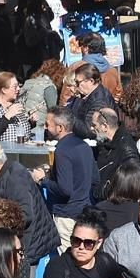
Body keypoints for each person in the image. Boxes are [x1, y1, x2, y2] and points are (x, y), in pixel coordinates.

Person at [0, 141, 59, 268]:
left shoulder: (15, 178)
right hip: (31, 242)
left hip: (32, 245)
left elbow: (25, 215)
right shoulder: (8, 173)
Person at [42, 215, 132, 278]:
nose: (81, 247)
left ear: (99, 243)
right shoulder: (57, 265)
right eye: (76, 241)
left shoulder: (105, 261)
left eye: (88, 243)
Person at [38, 107, 96, 249]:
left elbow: (65, 190)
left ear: (60, 127)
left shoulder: (62, 150)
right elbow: (95, 179)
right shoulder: (84, 146)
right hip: (84, 211)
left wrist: (42, 180)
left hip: (66, 215)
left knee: (68, 258)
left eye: (47, 124)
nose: (45, 128)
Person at [0, 71, 33, 143]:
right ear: (4, 90)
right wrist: (7, 116)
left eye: (18, 86)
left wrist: (31, 122)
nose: (18, 89)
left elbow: (20, 129)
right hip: (4, 152)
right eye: (15, 87)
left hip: (23, 152)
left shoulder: (16, 105)